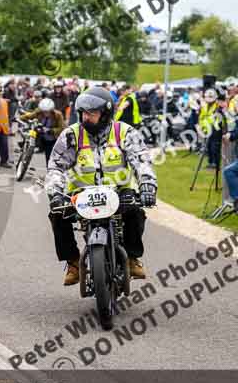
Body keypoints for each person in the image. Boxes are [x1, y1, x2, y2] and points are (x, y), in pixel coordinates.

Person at [46, 87, 157, 286]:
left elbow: (142, 161)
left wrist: (148, 184)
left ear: (105, 114)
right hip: (80, 195)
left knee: (136, 212)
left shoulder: (125, 132)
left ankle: (131, 258)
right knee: (57, 214)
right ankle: (73, 262)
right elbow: (56, 166)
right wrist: (55, 192)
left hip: (119, 192)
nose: (86, 118)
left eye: (92, 113)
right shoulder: (71, 135)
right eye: (83, 114)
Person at [18, 98, 65, 165]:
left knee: (49, 157)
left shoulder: (58, 115)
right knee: (30, 131)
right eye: (44, 111)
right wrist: (19, 118)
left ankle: (50, 170)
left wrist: (51, 130)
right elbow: (29, 116)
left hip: (51, 139)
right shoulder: (39, 112)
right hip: (40, 136)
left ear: (51, 110)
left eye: (47, 111)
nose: (46, 113)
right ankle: (25, 145)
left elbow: (62, 128)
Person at [198, 88, 223, 169]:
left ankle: (216, 164)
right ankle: (210, 162)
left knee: (214, 147)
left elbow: (219, 118)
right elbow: (201, 117)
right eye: (207, 97)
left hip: (215, 130)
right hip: (206, 129)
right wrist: (202, 127)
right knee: (208, 147)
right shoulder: (204, 106)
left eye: (210, 97)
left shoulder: (217, 106)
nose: (208, 99)